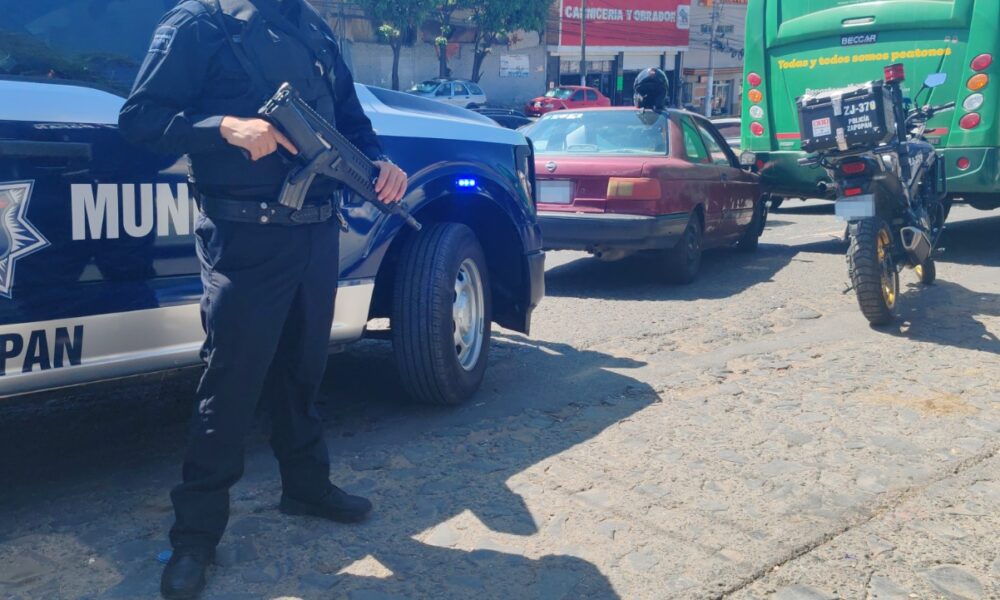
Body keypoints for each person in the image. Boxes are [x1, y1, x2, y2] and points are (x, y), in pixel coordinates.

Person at [118, 1, 408, 598]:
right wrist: (224, 128)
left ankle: (306, 487)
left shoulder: (314, 27)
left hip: (316, 232)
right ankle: (195, 535)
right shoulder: (199, 23)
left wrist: (381, 163)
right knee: (231, 382)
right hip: (244, 236)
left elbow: (352, 121)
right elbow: (140, 119)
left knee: (304, 369)